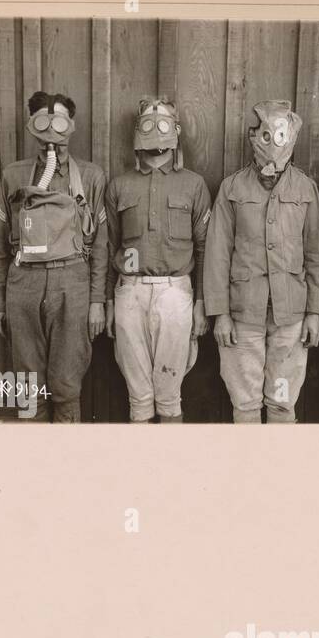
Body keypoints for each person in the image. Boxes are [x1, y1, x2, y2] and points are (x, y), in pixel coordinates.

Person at [0, 91, 107, 422]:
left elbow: (101, 245)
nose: (51, 134)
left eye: (59, 122)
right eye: (42, 121)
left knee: (67, 385)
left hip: (73, 282)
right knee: (29, 386)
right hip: (24, 284)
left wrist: (97, 301)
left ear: (71, 125)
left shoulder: (92, 177)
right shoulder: (13, 176)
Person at [203, 100, 319, 423]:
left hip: (291, 319)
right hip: (243, 317)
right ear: (253, 137)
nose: (273, 144)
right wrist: (220, 315)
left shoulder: (306, 189)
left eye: (281, 135)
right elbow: (216, 254)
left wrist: (314, 312)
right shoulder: (232, 188)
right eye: (265, 135)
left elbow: (315, 255)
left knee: (282, 401)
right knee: (245, 403)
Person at [104, 97, 211, 423]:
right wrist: (109, 301)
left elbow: (205, 247)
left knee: (169, 396)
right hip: (130, 294)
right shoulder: (119, 185)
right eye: (148, 123)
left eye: (163, 122)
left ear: (175, 130)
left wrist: (202, 302)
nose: (156, 130)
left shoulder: (193, 184)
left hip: (175, 292)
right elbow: (108, 247)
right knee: (138, 396)